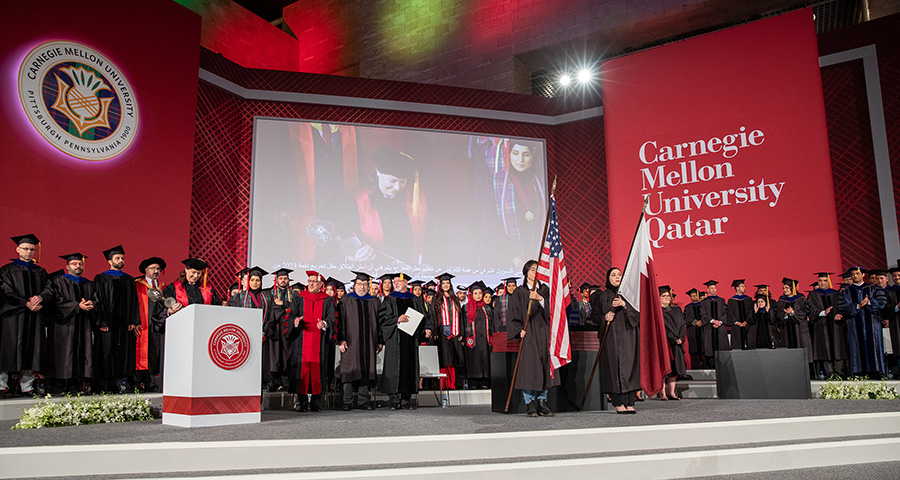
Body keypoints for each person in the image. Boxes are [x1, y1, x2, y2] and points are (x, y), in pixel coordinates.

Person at [338, 149, 428, 266]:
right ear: (378, 173)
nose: (397, 187)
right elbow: (341, 242)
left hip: (406, 273)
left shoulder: (415, 199)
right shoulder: (356, 202)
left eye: (402, 181)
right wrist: (352, 257)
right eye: (392, 180)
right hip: (372, 274)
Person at [0, 234, 54, 398]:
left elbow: (49, 288)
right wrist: (25, 303)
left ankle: (27, 386)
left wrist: (41, 297)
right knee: (8, 350)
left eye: (32, 249)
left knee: (33, 350)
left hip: (34, 316)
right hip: (14, 316)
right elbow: (5, 290)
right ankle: (2, 385)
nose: (29, 252)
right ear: (18, 250)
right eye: (25, 249)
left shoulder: (40, 271)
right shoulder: (7, 270)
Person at [508, 260, 558, 417]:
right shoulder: (519, 292)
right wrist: (518, 330)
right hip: (528, 334)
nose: (535, 273)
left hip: (543, 333)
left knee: (544, 366)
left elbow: (552, 311)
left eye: (537, 270)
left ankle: (542, 402)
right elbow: (513, 314)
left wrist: (540, 299)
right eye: (532, 270)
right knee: (530, 368)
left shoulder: (544, 290)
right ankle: (529, 403)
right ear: (526, 272)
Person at [379, 272, 432, 410]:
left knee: (409, 366)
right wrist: (397, 319)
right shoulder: (389, 299)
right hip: (394, 340)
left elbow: (424, 317)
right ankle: (394, 400)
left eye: (398, 281)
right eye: (394, 281)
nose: (395, 283)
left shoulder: (415, 299)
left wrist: (427, 328)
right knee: (393, 368)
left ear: (406, 283)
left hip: (410, 340)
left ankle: (405, 399)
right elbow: (382, 319)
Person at [590, 267, 639, 414]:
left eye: (619, 274)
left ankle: (630, 401)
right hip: (611, 337)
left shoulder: (629, 296)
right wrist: (604, 318)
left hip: (628, 336)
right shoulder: (602, 296)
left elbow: (637, 316)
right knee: (614, 367)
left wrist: (624, 305)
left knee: (629, 367)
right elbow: (594, 317)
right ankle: (618, 402)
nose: (617, 277)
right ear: (608, 278)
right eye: (613, 274)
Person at [284, 271, 335, 412]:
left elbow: (332, 318)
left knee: (318, 370)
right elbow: (292, 315)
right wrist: (295, 322)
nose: (311, 284)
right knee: (302, 370)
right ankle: (302, 402)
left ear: (321, 284)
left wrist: (324, 324)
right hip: (302, 340)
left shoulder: (327, 300)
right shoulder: (299, 298)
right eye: (309, 281)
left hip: (320, 342)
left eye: (314, 281)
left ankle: (316, 403)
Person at [93, 245, 140, 394]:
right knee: (106, 351)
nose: (121, 261)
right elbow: (98, 301)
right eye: (117, 258)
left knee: (123, 352)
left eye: (122, 258)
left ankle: (120, 382)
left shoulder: (129, 279)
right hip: (108, 324)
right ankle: (104, 384)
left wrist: (133, 320)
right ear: (109, 261)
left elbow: (134, 301)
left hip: (124, 324)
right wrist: (102, 321)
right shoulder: (101, 278)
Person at [49, 253, 97, 395]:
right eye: (74, 264)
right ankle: (60, 385)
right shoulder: (59, 281)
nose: (78, 266)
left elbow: (96, 300)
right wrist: (77, 306)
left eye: (80, 264)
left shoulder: (88, 283)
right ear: (67, 266)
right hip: (64, 324)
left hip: (83, 324)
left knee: (81, 352)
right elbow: (56, 301)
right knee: (64, 354)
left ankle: (75, 385)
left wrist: (90, 305)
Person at [337, 271, 382, 410]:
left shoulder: (374, 301)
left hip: (369, 341)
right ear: (354, 285)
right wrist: (341, 339)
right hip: (350, 341)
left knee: (365, 370)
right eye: (359, 284)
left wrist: (379, 340)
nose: (362, 287)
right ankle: (347, 401)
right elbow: (340, 321)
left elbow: (379, 322)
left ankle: (363, 401)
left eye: (364, 284)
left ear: (368, 286)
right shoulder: (346, 300)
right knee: (348, 371)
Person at [229, 266, 272, 390]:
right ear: (248, 281)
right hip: (244, 337)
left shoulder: (267, 296)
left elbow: (271, 316)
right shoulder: (240, 297)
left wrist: (264, 330)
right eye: (252, 280)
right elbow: (234, 315)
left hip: (262, 336)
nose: (255, 283)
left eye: (257, 280)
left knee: (260, 367)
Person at [151, 258, 222, 334]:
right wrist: (169, 312)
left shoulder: (208, 289)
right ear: (186, 270)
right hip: (180, 331)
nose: (195, 276)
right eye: (193, 272)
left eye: (198, 273)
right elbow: (159, 311)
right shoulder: (173, 288)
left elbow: (216, 309)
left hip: (203, 330)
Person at [839, 267, 887, 378]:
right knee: (856, 345)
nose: (855, 276)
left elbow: (882, 302)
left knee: (875, 345)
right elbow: (842, 307)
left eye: (857, 273)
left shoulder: (874, 288)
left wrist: (869, 302)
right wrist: (858, 306)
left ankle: (877, 371)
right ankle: (858, 372)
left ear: (863, 275)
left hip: (872, 322)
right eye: (853, 274)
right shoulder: (846, 291)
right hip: (854, 324)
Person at [134, 256, 166, 392]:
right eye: (153, 268)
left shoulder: (163, 287)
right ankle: (136, 382)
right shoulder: (137, 284)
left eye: (158, 268)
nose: (156, 271)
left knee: (154, 352)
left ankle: (151, 382)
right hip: (141, 325)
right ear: (146, 270)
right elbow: (132, 305)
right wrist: (134, 322)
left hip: (156, 325)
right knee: (138, 352)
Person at [265, 268, 300, 392]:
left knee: (286, 355)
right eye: (281, 278)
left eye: (285, 278)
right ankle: (273, 381)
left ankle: (286, 383)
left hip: (287, 329)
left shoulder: (295, 294)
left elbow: (295, 309)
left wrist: (283, 304)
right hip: (275, 329)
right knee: (275, 356)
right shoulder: (270, 293)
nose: (283, 280)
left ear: (288, 280)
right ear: (277, 280)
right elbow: (269, 310)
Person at [807, 272, 847, 378]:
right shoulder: (813, 295)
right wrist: (823, 312)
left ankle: (840, 372)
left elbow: (842, 306)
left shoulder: (836, 294)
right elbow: (810, 308)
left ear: (829, 282)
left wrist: (839, 314)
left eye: (825, 281)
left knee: (838, 348)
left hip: (835, 325)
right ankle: (829, 373)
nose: (822, 283)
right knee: (825, 349)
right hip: (821, 325)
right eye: (820, 281)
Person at [431, 272, 464, 390]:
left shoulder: (455, 299)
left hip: (454, 333)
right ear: (440, 285)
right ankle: (444, 384)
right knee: (444, 359)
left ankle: (452, 383)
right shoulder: (436, 299)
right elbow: (433, 316)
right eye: (443, 283)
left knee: (453, 359)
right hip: (442, 333)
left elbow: (460, 316)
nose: (445, 285)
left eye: (447, 283)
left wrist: (461, 333)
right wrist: (435, 331)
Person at [462, 281, 491, 389]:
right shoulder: (465, 308)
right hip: (471, 339)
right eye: (476, 293)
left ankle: (485, 381)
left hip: (485, 339)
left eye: (480, 293)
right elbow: (462, 323)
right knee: (473, 359)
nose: (478, 295)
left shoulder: (486, 308)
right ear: (471, 295)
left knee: (485, 359)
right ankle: (473, 382)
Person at [775, 278, 811, 367]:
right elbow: (778, 314)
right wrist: (785, 314)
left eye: (787, 288)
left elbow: (805, 312)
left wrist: (792, 313)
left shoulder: (801, 298)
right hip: (786, 329)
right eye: (784, 288)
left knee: (801, 347)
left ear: (793, 288)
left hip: (800, 329)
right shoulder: (781, 300)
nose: (785, 290)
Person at [660, 286, 685, 400]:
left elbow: (682, 325)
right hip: (665, 342)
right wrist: (673, 338)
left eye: (668, 296)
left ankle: (671, 393)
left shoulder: (676, 310)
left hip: (676, 342)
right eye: (663, 296)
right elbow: (663, 328)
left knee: (674, 367)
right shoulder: (658, 312)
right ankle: (663, 394)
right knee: (664, 367)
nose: (666, 298)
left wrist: (680, 337)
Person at [700, 280, 730, 367]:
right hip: (709, 327)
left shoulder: (721, 300)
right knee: (710, 347)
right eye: (711, 288)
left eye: (714, 288)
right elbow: (703, 314)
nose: (713, 290)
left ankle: (723, 365)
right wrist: (713, 321)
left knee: (721, 346)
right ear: (708, 290)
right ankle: (711, 365)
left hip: (720, 327)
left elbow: (725, 312)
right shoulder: (704, 302)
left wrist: (719, 322)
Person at [727, 279, 755, 350]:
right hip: (736, 326)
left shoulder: (748, 299)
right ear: (737, 288)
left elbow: (751, 311)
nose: (744, 288)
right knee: (737, 345)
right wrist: (737, 322)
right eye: (742, 286)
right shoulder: (731, 300)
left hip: (747, 325)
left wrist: (746, 321)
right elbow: (730, 313)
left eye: (744, 286)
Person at [883, 267, 900, 378]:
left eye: (898, 275)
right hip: (896, 322)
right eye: (894, 276)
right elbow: (885, 307)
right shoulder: (889, 291)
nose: (897, 278)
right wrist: (896, 307)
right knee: (899, 346)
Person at [684, 288, 703, 368]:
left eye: (696, 295)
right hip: (693, 331)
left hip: (703, 330)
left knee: (704, 350)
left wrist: (702, 321)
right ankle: (694, 368)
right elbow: (686, 318)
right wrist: (696, 322)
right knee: (694, 351)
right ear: (690, 297)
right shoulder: (687, 307)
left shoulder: (703, 306)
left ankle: (705, 367)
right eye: (692, 296)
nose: (694, 297)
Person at [753, 285, 777, 349]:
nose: (763, 292)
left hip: (769, 330)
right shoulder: (754, 304)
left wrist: (768, 312)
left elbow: (774, 317)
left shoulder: (772, 303)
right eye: (761, 291)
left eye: (765, 291)